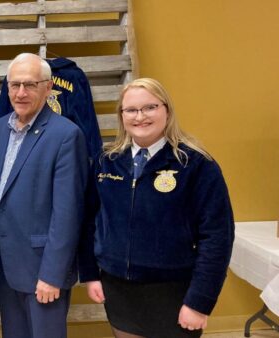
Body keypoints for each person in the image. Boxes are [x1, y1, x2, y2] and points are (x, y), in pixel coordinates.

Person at [78, 78, 234, 338]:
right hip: (119, 290)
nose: (140, 116)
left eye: (150, 107)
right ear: (122, 115)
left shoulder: (196, 165)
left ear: (167, 110)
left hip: (173, 292)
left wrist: (199, 301)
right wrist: (90, 274)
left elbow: (217, 237)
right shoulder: (107, 162)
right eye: (131, 110)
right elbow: (88, 221)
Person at [0, 53, 89, 338]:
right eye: (14, 85)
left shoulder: (66, 135)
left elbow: (68, 214)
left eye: (30, 85)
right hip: (7, 264)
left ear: (48, 87)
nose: (20, 93)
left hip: (44, 269)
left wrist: (52, 275)